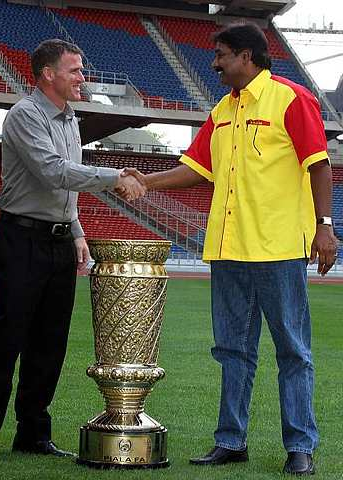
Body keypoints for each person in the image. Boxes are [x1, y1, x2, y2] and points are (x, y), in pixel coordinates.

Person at [122, 22, 337, 476]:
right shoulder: (222, 110)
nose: (215, 63)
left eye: (220, 54)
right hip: (228, 249)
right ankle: (230, 441)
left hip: (279, 248)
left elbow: (319, 166)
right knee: (232, 350)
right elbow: (196, 169)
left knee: (293, 351)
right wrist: (146, 180)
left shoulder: (292, 98)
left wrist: (324, 227)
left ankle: (300, 446)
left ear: (247, 56)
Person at [0, 39, 146, 464]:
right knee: (8, 338)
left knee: (50, 342)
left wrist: (77, 231)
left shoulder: (70, 119)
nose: (83, 78)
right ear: (48, 74)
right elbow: (53, 172)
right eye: (75, 70)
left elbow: (64, 190)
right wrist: (114, 175)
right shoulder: (25, 116)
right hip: (22, 239)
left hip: (60, 239)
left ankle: (32, 433)